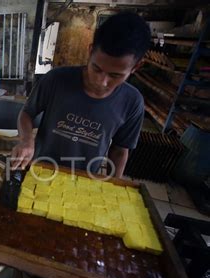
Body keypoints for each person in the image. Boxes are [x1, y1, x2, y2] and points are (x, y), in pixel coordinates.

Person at [11, 12, 151, 178]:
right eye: (96, 69)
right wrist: (27, 140)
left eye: (115, 75)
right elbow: (26, 113)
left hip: (85, 179)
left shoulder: (132, 102)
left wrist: (114, 184)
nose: (102, 81)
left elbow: (120, 150)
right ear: (90, 51)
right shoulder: (56, 79)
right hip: (41, 169)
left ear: (136, 67)